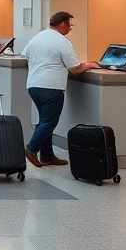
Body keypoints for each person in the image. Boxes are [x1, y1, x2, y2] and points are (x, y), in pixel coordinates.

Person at [23, 12, 101, 167]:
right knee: (50, 121)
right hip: (51, 87)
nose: (70, 28)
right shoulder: (62, 42)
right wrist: (89, 65)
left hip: (34, 85)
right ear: (63, 24)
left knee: (44, 120)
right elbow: (75, 69)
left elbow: (25, 55)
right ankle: (31, 149)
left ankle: (47, 156)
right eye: (70, 25)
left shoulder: (38, 37)